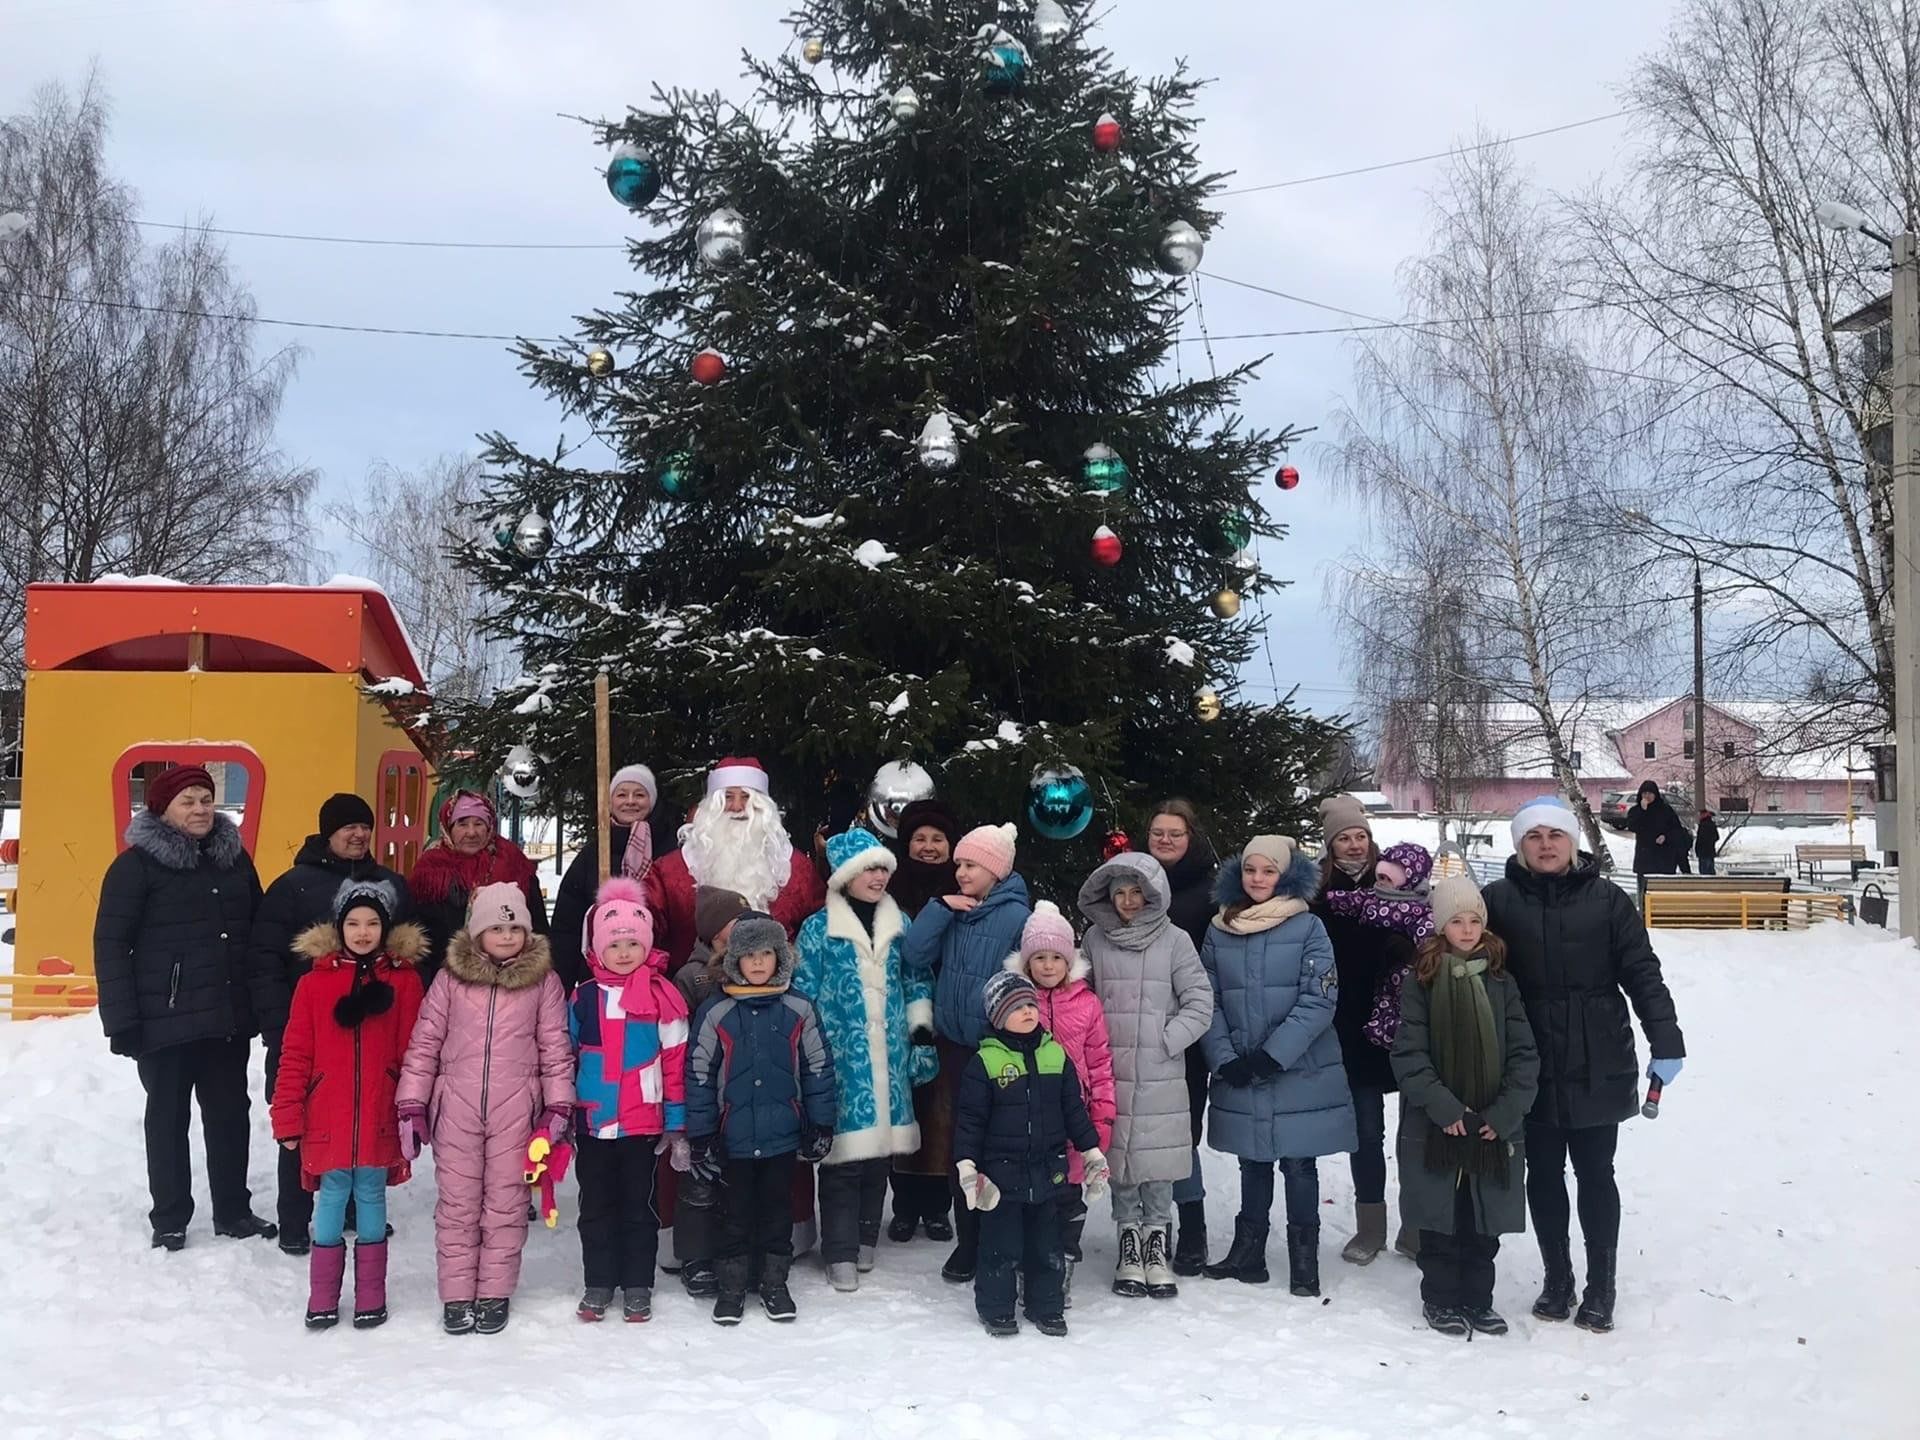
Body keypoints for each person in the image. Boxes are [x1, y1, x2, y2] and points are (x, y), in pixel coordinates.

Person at [1486, 795, 1687, 1333]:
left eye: (1556, 835)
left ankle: (1602, 1286)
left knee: (1597, 1173)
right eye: (1534, 837)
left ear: (1572, 843)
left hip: (1599, 1053)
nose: (1546, 845)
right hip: (1528, 1060)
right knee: (1543, 1173)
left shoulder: (1607, 901)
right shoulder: (1497, 902)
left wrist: (1666, 1041)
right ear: (1521, 845)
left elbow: (1642, 972)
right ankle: (1558, 1279)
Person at [93, 763, 275, 1250]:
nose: (199, 809)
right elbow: (111, 945)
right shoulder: (135, 867)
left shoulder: (234, 860)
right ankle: (170, 1215)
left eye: (205, 799)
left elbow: (257, 932)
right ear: (163, 809)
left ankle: (234, 1210)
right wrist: (122, 1021)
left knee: (230, 1115)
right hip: (163, 1021)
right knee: (168, 1119)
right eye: (187, 801)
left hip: (225, 1017)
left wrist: (259, 1004)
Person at [395, 882, 574, 1336]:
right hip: (455, 1108)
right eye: (497, 926)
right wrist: (412, 1101)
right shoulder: (450, 980)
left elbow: (555, 1049)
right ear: (477, 933)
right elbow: (425, 1043)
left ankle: (494, 1291)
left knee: (506, 1204)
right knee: (457, 1205)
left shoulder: (543, 983)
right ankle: (457, 1295)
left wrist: (557, 1106)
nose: (508, 935)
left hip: (516, 1113)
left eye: (515, 927)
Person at [249, 792, 412, 1254]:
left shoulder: (390, 884)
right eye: (347, 827)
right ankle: (297, 1219)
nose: (357, 834)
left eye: (364, 826)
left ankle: (358, 1212)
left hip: (373, 1035)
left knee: (363, 1121)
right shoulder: (293, 886)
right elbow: (264, 959)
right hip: (308, 1031)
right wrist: (279, 1026)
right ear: (328, 833)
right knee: (303, 1124)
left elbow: (407, 955)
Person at [1199, 835, 1357, 1298]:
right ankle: (1249, 1253)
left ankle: (1303, 1261)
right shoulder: (1219, 929)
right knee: (1253, 1160)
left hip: (1296, 1065)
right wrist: (1224, 1056)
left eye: (1268, 871)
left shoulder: (1307, 927)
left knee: (1298, 1164)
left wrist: (1274, 1055)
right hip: (1240, 1062)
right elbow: (1206, 997)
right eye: (1251, 870)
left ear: (1284, 876)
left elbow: (1319, 997)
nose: (1258, 879)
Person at [270, 879, 426, 1329]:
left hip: (379, 1111)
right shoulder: (314, 985)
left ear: (386, 927)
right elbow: (295, 1053)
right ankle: (322, 1295)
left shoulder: (404, 980)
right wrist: (287, 1116)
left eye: (372, 923)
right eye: (353, 923)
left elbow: (414, 1051)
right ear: (339, 927)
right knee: (332, 1197)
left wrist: (412, 1107)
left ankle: (370, 1296)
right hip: (328, 1115)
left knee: (373, 1196)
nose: (362, 932)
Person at [1389, 874, 1540, 1338]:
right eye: (1457, 921)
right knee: (1441, 1218)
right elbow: (1409, 1054)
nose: (1468, 929)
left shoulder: (1501, 981)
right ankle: (1439, 1298)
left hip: (1492, 1124)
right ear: (1441, 927)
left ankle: (1478, 1300)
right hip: (1439, 1124)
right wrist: (1446, 1108)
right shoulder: (1422, 981)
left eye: (1475, 920)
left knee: (1482, 1220)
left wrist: (1504, 1113)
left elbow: (1524, 1055)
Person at [793, 829, 939, 1292]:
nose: (879, 877)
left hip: (890, 1057)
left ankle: (866, 1235)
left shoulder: (903, 924)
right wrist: (807, 1054)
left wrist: (920, 1037)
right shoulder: (818, 929)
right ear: (846, 876)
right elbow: (802, 991)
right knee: (842, 1158)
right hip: (841, 1061)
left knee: (879, 1156)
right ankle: (839, 1249)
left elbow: (917, 980)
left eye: (883, 869)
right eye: (870, 869)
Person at [685, 913, 836, 1325]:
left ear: (780, 958)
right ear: (734, 959)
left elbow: (818, 1068)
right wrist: (700, 1133)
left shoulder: (799, 1007)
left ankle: (774, 1282)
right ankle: (731, 1286)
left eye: (765, 954)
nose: (756, 963)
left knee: (775, 1212)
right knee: (733, 1213)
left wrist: (820, 1123)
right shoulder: (717, 1012)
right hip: (731, 1136)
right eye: (748, 954)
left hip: (781, 1136)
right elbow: (698, 1074)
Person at [1076, 852, 1213, 1300]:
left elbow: (1199, 1000)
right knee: (1120, 1163)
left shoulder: (1175, 940)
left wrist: (1166, 1039)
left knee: (1157, 1164)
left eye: (1137, 892)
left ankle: (1157, 1245)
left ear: (1153, 894)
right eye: (1120, 893)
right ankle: (1128, 1247)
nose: (1129, 901)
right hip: (1110, 1070)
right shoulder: (1095, 939)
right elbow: (1084, 996)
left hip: (1160, 1074)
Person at [901, 821, 1033, 1282]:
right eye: (958, 863)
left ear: (994, 870)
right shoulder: (953, 908)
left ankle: (999, 1239)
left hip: (998, 1051)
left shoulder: (1018, 918)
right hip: (955, 1048)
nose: (959, 872)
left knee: (999, 1146)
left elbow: (1028, 984)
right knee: (963, 1146)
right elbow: (914, 955)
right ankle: (968, 1241)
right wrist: (939, 909)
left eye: (970, 864)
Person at [953, 970, 1110, 1338]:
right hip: (1000, 1176)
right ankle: (996, 1308)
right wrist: (966, 1164)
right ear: (997, 1015)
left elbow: (1074, 1110)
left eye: (1030, 1004)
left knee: (1047, 1246)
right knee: (999, 1246)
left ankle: (1047, 1306)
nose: (1028, 1011)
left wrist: (1091, 1151)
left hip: (1047, 1171)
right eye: (1016, 1007)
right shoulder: (985, 1063)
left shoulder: (1055, 1054)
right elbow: (970, 1121)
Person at [566, 876, 691, 1324]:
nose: (623, 953)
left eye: (631, 944)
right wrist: (561, 1114)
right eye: (613, 944)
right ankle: (599, 1281)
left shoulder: (663, 999)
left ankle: (638, 1283)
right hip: (594, 1123)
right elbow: (565, 1056)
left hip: (642, 1125)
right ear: (598, 949)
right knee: (595, 1206)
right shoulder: (582, 999)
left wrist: (675, 1123)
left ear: (646, 947)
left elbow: (675, 1063)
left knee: (640, 1207)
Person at [1311, 793, 1418, 1267]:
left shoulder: (1397, 880)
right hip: (1351, 1028)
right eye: (1344, 839)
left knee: (1415, 1133)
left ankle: (1417, 1225)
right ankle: (1370, 1227)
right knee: (1366, 1132)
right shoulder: (1317, 895)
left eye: (1360, 837)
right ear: (1330, 846)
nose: (1354, 846)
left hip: (1408, 1024)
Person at [1002, 901, 1115, 1305]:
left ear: (1069, 960)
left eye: (1056, 958)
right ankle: (1027, 1266)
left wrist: (1100, 1118)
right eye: (1039, 958)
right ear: (1026, 961)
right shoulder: (1014, 1002)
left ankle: (1063, 1261)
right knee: (1031, 1198)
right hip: (1025, 1123)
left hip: (1072, 1122)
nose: (1048, 966)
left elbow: (1100, 1062)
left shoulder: (1086, 1004)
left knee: (1067, 1197)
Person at [646, 757, 826, 964]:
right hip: (692, 991)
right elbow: (640, 924)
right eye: (727, 797)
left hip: (779, 992)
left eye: (747, 797)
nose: (737, 806)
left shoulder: (796, 868)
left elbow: (821, 930)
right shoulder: (671, 870)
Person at [1142, 799, 1220, 1275]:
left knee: (1182, 1133)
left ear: (1191, 838)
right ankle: (1154, 1224)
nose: (1165, 840)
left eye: (1175, 833)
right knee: (1144, 1132)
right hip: (1135, 1028)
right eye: (1157, 833)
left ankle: (1192, 1224)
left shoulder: (1210, 893)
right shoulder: (1131, 884)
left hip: (1187, 1031)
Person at [884, 796, 962, 1243]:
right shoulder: (890, 889)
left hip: (947, 1012)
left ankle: (937, 1206)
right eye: (920, 839)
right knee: (905, 1105)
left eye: (937, 839)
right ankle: (904, 1203)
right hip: (897, 1013)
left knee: (942, 1110)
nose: (929, 847)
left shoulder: (964, 888)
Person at [551, 763, 681, 993]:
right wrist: (565, 982)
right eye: (621, 794)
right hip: (599, 981)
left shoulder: (671, 851)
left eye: (639, 794)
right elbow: (567, 924)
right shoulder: (593, 854)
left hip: (659, 979)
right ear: (610, 802)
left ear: (651, 800)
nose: (630, 801)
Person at [408, 789, 549, 986]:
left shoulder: (513, 862)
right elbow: (420, 931)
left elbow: (538, 927)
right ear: (448, 828)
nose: (471, 832)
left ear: (490, 826)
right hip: (446, 979)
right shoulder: (429, 869)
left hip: (510, 980)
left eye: (479, 823)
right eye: (462, 824)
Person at [1625, 780, 1691, 877]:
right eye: (1644, 793)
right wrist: (1643, 811)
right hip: (1645, 859)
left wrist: (1666, 837)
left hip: (1664, 858)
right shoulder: (1635, 811)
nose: (1647, 796)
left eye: (1650, 793)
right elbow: (1632, 826)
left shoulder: (1665, 810)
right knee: (1645, 890)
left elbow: (1677, 830)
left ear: (1655, 794)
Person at [1695, 809, 1720, 875]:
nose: (1699, 816)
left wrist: (1699, 849)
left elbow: (1700, 839)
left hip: (1703, 853)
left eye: (1700, 814)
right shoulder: (1712, 824)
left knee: (1704, 873)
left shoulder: (1703, 825)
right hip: (1710, 852)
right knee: (1711, 871)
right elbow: (1717, 837)